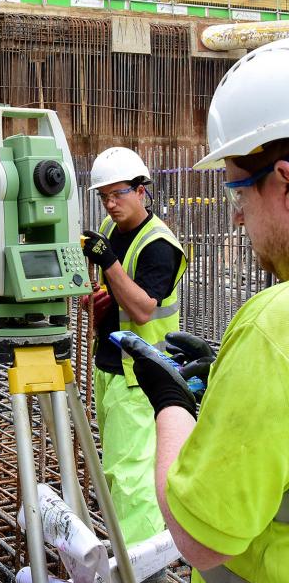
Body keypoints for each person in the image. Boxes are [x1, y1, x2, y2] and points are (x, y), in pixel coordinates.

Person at [125, 39, 289, 583]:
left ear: (285, 180)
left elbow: (200, 540)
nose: (237, 212)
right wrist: (232, 375)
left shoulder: (274, 328)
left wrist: (172, 400)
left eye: (238, 187)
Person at [81, 147, 186, 548]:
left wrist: (108, 264)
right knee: (117, 467)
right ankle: (134, 545)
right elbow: (117, 292)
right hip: (108, 363)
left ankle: (141, 567)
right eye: (104, 196)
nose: (110, 204)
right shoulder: (111, 231)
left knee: (131, 473)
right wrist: (99, 296)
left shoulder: (160, 244)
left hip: (140, 374)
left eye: (118, 194)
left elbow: (143, 308)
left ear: (142, 191)